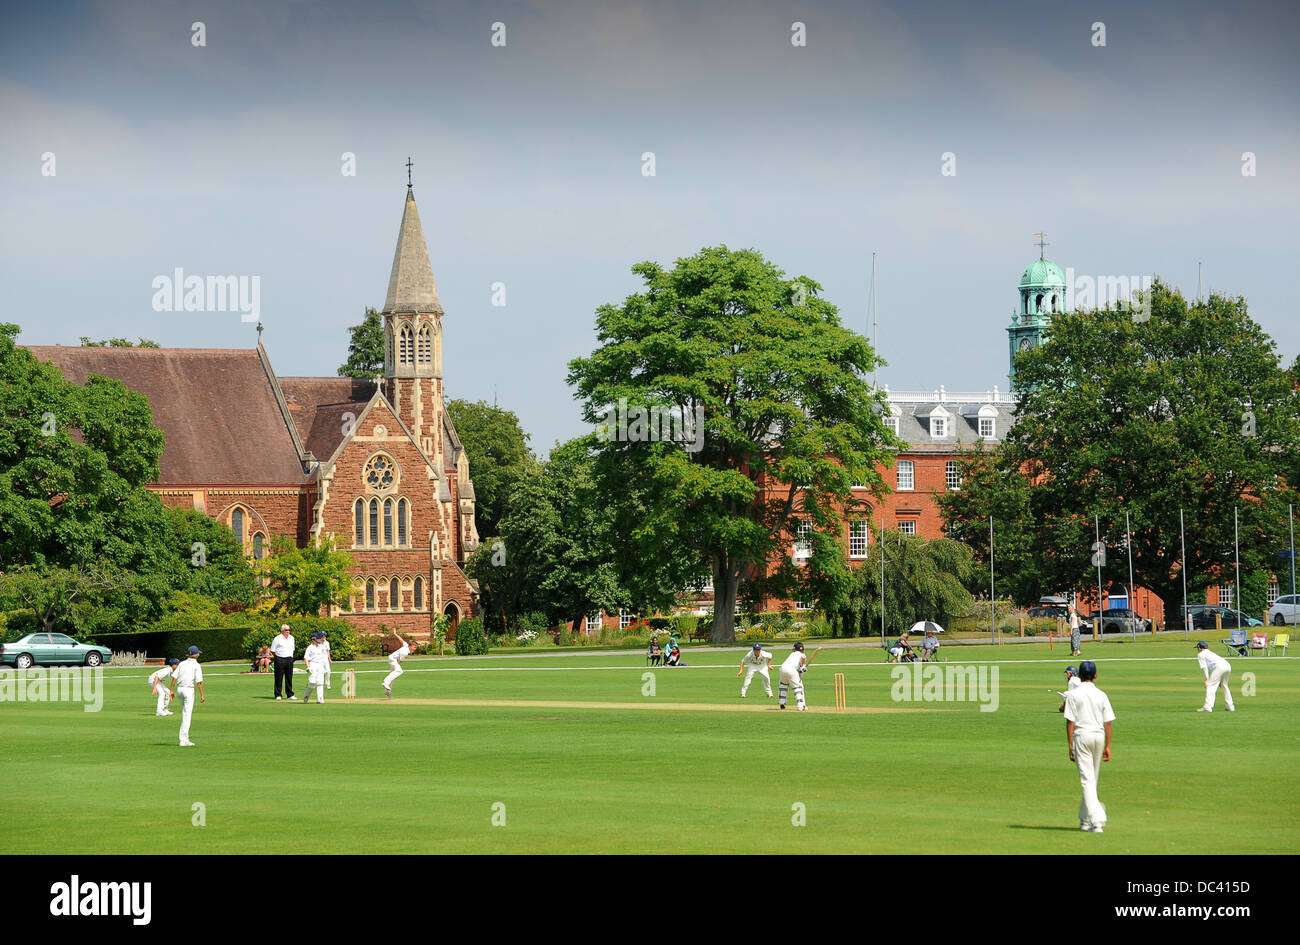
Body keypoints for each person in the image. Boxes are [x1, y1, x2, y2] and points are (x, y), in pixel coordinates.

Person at [1063, 660, 1114, 833]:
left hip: (1082, 737)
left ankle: (1097, 820)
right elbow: (1108, 723)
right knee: (1092, 779)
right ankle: (1084, 819)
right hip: (1099, 736)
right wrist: (1108, 745)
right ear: (1096, 675)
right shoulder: (1102, 694)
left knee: (1087, 780)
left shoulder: (1074, 695)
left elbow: (1070, 721)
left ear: (1079, 675)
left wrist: (1070, 745)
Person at [171, 645, 206, 748]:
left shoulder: (181, 663)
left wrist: (171, 691)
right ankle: (183, 740)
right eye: (198, 653)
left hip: (179, 690)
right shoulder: (197, 665)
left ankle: (184, 739)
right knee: (187, 716)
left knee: (184, 714)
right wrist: (202, 695)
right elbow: (199, 682)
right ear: (195, 655)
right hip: (188, 690)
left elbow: (174, 677)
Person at [1195, 641, 1236, 712]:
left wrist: (1207, 679)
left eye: (1197, 648)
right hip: (1227, 665)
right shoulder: (1209, 652)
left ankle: (1207, 707)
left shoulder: (1201, 654)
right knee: (1224, 685)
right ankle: (1230, 706)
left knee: (1210, 685)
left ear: (1199, 648)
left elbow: (1204, 667)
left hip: (1220, 667)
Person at [778, 641, 808, 711]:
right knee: (798, 687)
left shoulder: (792, 654)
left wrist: (802, 669)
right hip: (791, 670)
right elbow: (802, 660)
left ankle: (782, 703)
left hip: (782, 669)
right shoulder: (802, 655)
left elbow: (800, 669)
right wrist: (802, 668)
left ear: (794, 649)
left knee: (783, 685)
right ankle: (801, 706)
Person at [270, 624, 297, 700]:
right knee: (279, 678)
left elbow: (293, 648)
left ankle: (290, 694)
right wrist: (278, 658)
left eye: (289, 630)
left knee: (289, 677)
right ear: (282, 631)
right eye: (286, 630)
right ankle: (278, 694)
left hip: (289, 659)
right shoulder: (277, 638)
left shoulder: (292, 638)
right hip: (280, 659)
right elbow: (273, 650)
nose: (288, 631)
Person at [302, 632, 329, 705]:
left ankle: (320, 699)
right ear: (313, 639)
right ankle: (306, 696)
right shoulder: (310, 648)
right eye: (318, 638)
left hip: (320, 665)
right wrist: (308, 666)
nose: (320, 639)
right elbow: (306, 658)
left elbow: (324, 655)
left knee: (320, 682)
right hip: (313, 665)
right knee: (312, 683)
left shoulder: (321, 646)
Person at [382, 633, 411, 699]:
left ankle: (387, 691)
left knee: (393, 675)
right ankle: (385, 682)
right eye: (414, 647)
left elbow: (401, 640)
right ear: (410, 646)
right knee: (399, 671)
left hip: (392, 658)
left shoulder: (406, 645)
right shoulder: (405, 652)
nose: (415, 649)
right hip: (393, 659)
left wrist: (395, 634)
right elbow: (399, 661)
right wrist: (396, 666)